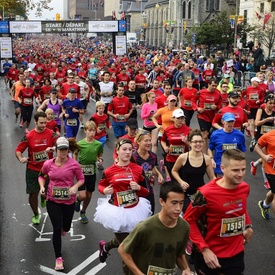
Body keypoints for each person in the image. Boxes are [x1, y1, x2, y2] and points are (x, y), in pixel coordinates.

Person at [184, 149, 253, 275]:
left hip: (236, 254)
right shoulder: (205, 193)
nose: (240, 174)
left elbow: (242, 208)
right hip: (211, 256)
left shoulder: (244, 188)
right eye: (235, 170)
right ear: (222, 168)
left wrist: (248, 225)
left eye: (243, 169)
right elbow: (188, 220)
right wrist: (204, 249)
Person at [94, 139, 151, 273]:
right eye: (124, 149)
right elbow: (101, 185)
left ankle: (106, 246)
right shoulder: (109, 171)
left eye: (129, 150)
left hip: (136, 210)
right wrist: (104, 190)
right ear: (117, 151)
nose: (127, 152)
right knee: (127, 249)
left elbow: (147, 190)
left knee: (129, 242)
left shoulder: (138, 169)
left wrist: (138, 188)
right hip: (117, 212)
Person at [118, 181, 192, 275]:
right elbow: (122, 249)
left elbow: (179, 254)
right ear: (162, 201)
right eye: (174, 203)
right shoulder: (145, 227)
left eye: (181, 203)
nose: (178, 208)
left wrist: (186, 268)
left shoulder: (184, 227)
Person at [38, 137, 84, 271]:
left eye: (65, 149)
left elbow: (81, 179)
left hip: (69, 200)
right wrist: (42, 187)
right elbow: (41, 176)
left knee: (66, 227)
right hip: (53, 200)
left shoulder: (74, 164)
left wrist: (75, 187)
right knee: (57, 228)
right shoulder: (48, 164)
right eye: (61, 149)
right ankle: (58, 258)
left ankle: (65, 227)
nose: (63, 152)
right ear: (56, 149)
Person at [15, 112, 58, 225]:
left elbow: (60, 144)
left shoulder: (51, 133)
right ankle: (35, 213)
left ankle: (43, 197)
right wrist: (21, 158)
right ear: (35, 122)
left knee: (45, 193)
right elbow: (18, 150)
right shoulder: (29, 136)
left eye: (45, 122)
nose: (44, 125)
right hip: (32, 170)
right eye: (41, 123)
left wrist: (54, 148)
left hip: (48, 170)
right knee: (33, 194)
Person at [172, 129, 215, 213]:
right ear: (190, 143)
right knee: (187, 215)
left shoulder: (206, 159)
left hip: (199, 193)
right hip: (185, 194)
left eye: (200, 141)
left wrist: (220, 187)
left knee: (199, 217)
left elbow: (212, 177)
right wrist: (181, 182)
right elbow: (174, 171)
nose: (198, 144)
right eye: (195, 142)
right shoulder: (183, 157)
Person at [73, 121, 103, 224]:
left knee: (89, 195)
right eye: (90, 130)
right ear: (85, 131)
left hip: (92, 173)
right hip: (81, 173)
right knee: (82, 195)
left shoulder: (98, 144)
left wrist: (100, 160)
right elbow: (75, 154)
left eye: (94, 130)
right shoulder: (80, 143)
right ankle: (77, 199)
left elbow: (100, 155)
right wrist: (75, 164)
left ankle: (83, 212)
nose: (92, 133)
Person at [133, 130, 164, 213]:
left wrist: (159, 175)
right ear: (138, 142)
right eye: (146, 141)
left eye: (150, 140)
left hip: (149, 189)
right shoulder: (133, 157)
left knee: (150, 212)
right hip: (136, 190)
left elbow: (152, 167)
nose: (149, 143)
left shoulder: (153, 156)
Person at [209, 112, 246, 177]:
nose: (230, 124)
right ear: (223, 121)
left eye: (232, 121)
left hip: (234, 167)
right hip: (220, 166)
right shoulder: (216, 134)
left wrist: (241, 165)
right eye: (228, 121)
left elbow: (242, 151)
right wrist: (211, 159)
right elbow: (210, 149)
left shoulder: (240, 135)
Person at [250, 94, 275, 189]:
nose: (272, 105)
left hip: (271, 138)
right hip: (262, 137)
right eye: (270, 103)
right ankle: (266, 181)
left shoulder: (274, 112)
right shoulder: (261, 110)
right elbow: (256, 123)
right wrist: (267, 119)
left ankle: (255, 163)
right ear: (265, 103)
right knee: (266, 159)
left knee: (270, 156)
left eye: (273, 103)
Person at [161, 109, 191, 181]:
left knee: (183, 179)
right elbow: (162, 140)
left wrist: (187, 142)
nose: (180, 120)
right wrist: (165, 147)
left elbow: (193, 145)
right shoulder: (168, 129)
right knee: (174, 180)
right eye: (178, 118)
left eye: (182, 118)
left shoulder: (188, 130)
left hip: (183, 159)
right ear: (173, 118)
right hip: (171, 159)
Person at [195, 78, 222, 153]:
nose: (214, 87)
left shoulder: (218, 93)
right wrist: (197, 108)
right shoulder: (201, 92)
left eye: (215, 86)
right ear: (208, 85)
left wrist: (216, 107)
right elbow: (193, 100)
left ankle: (211, 153)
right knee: (205, 135)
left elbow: (220, 104)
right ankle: (204, 155)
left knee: (213, 136)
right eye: (212, 85)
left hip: (212, 117)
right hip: (202, 116)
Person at [255, 127, 275, 220]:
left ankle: (264, 204)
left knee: (273, 191)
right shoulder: (268, 135)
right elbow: (257, 146)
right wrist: (264, 157)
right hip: (272, 171)